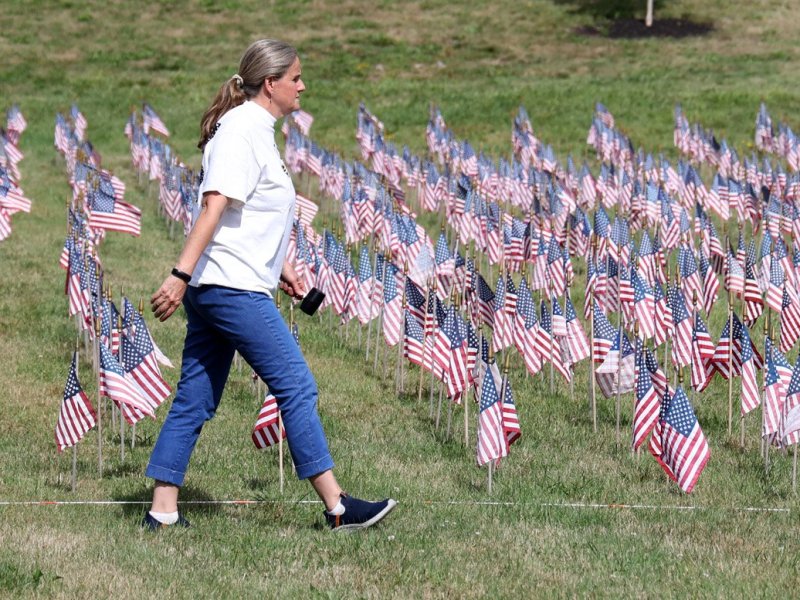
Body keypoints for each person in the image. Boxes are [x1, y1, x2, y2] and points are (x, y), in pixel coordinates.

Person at [143, 39, 396, 531]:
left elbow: (246, 214)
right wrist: (179, 275)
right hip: (229, 289)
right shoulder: (241, 131)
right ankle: (338, 507)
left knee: (195, 397)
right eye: (297, 78)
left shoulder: (258, 131)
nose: (303, 86)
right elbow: (213, 207)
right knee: (297, 385)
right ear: (271, 83)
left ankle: (162, 512)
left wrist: (279, 267)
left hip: (231, 283)